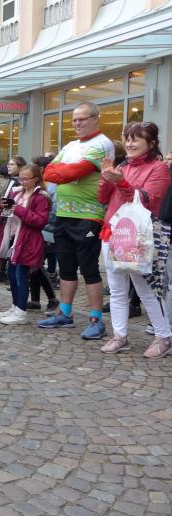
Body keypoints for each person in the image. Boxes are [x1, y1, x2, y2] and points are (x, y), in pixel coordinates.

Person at [38, 102, 115, 339]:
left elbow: (72, 173)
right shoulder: (71, 145)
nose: (77, 123)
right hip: (64, 214)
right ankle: (65, 313)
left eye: (83, 119)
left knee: (89, 269)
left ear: (96, 119)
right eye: (74, 119)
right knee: (66, 267)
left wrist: (63, 171)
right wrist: (62, 172)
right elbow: (48, 172)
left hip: (88, 216)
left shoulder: (102, 144)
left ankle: (96, 320)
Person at [97, 122, 171, 357]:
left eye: (136, 139)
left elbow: (147, 200)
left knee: (146, 289)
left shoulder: (159, 168)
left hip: (140, 236)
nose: (129, 143)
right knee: (117, 290)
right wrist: (106, 178)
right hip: (112, 232)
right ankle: (120, 336)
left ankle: (163, 337)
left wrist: (119, 181)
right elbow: (102, 198)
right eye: (127, 138)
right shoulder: (121, 166)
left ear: (151, 143)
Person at [0, 164, 52, 325]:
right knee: (12, 275)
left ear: (36, 179)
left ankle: (21, 313)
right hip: (14, 238)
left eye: (26, 179)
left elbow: (40, 221)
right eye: (20, 178)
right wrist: (2, 209)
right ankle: (16, 307)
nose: (22, 182)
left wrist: (17, 209)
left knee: (21, 276)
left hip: (28, 240)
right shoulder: (17, 193)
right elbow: (9, 215)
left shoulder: (41, 197)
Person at [0, 156, 26, 282]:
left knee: (11, 246)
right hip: (7, 218)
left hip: (17, 220)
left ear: (20, 166)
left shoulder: (21, 182)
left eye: (12, 164)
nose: (8, 166)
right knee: (4, 244)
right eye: (8, 164)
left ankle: (10, 275)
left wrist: (4, 210)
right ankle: (2, 272)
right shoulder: (12, 180)